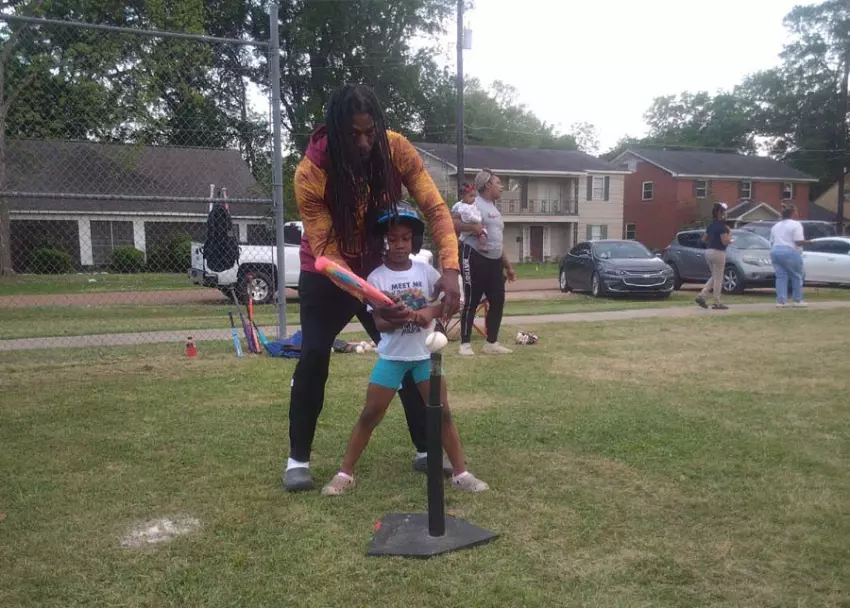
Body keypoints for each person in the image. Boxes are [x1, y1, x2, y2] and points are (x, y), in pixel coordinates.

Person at [285, 84, 461, 492]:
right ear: (335, 132)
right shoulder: (311, 172)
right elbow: (328, 253)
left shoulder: (396, 148)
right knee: (313, 355)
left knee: (411, 346)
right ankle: (298, 459)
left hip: (381, 268)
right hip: (328, 274)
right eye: (354, 135)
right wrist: (378, 301)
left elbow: (435, 208)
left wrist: (450, 268)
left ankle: (425, 448)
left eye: (371, 133)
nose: (365, 143)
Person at [321, 204, 489, 496]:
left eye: (406, 238)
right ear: (383, 242)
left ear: (414, 241)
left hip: (426, 358)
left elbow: (449, 303)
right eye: (393, 239)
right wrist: (398, 317)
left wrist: (428, 312)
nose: (399, 244)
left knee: (442, 413)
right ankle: (344, 474)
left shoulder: (425, 271)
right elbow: (380, 324)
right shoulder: (376, 279)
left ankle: (461, 473)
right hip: (393, 358)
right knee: (371, 413)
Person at [452, 169, 517, 356]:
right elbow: (453, 223)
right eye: (498, 183)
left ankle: (491, 343)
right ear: (488, 184)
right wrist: (473, 228)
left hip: (495, 261)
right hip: (474, 256)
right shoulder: (473, 202)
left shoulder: (494, 208)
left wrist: (508, 266)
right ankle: (465, 345)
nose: (501, 187)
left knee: (498, 300)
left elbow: (497, 241)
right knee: (472, 300)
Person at [770, 204, 810, 308]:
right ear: (792, 213)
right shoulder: (796, 224)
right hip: (789, 251)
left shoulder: (776, 226)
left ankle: (781, 301)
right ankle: (797, 300)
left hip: (775, 251)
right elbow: (798, 241)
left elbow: (772, 241)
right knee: (796, 276)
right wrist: (808, 242)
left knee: (781, 276)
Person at [696, 202, 732, 310]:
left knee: (715, 276)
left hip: (708, 251)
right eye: (725, 212)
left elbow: (703, 239)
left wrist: (713, 240)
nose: (726, 214)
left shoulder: (711, 226)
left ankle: (702, 296)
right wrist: (730, 236)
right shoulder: (723, 227)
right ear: (720, 213)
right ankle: (716, 302)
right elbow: (725, 241)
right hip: (719, 252)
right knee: (718, 278)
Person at [452, 183, 488, 252]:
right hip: (469, 226)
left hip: (471, 229)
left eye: (475, 196)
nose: (474, 199)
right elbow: (455, 216)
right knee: (482, 234)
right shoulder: (461, 206)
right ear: (462, 196)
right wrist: (479, 220)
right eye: (471, 196)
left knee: (461, 239)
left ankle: (455, 248)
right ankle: (481, 245)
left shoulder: (474, 204)